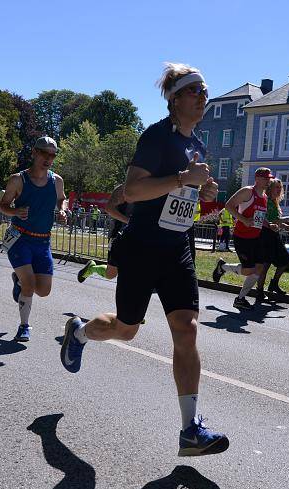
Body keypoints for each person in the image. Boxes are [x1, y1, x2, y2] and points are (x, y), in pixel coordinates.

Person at [59, 63, 228, 457]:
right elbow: (132, 191)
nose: (202, 97)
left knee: (187, 330)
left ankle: (190, 430)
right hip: (142, 248)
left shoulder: (197, 146)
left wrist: (202, 192)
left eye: (205, 91)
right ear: (174, 99)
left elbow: (184, 194)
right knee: (126, 329)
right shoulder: (156, 137)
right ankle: (79, 332)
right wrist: (183, 179)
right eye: (194, 91)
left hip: (177, 249)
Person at [0, 136, 67, 342]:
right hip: (19, 238)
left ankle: (18, 281)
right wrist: (15, 211)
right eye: (44, 153)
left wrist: (62, 210)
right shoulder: (18, 179)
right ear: (34, 153)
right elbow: (3, 205)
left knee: (44, 291)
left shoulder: (57, 181)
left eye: (53, 155)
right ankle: (24, 326)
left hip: (43, 241)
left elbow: (61, 199)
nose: (49, 158)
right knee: (29, 285)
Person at [211, 167, 271, 309]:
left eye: (269, 179)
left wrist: (270, 225)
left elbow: (259, 218)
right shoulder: (247, 192)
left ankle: (240, 299)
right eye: (266, 178)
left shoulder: (264, 197)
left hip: (256, 237)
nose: (268, 181)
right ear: (257, 179)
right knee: (248, 270)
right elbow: (228, 206)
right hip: (242, 237)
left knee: (259, 267)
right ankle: (223, 267)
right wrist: (243, 220)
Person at [79, 183, 130, 282]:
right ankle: (92, 268)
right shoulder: (123, 188)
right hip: (118, 235)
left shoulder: (153, 188)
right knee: (110, 274)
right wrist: (129, 221)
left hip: (138, 237)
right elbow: (109, 208)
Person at [256, 178, 289, 296]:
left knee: (285, 261)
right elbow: (270, 220)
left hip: (274, 235)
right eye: (276, 187)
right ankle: (259, 291)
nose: (279, 190)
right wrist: (286, 219)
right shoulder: (266, 201)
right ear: (270, 188)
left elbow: (275, 221)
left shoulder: (274, 202)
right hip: (265, 235)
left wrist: (284, 225)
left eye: (280, 188)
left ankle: (274, 284)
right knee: (265, 265)